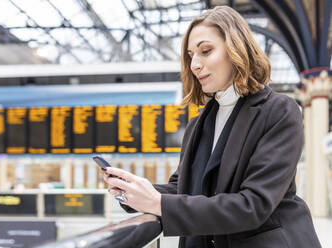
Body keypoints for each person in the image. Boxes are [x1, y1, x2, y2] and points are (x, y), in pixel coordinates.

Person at [103, 5, 321, 248]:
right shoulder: (198, 124)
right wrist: (135, 191)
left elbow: (254, 205)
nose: (194, 64)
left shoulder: (279, 111)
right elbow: (185, 187)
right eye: (190, 55)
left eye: (205, 51)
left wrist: (158, 203)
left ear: (236, 49)